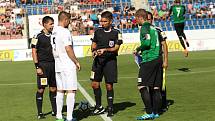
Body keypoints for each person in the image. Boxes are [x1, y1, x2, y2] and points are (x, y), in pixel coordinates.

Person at [90, 11, 123, 117]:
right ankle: (99, 106)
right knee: (94, 84)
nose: (102, 23)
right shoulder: (98, 31)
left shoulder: (117, 32)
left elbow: (116, 48)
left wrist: (105, 50)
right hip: (98, 62)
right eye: (101, 21)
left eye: (105, 21)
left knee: (109, 86)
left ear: (110, 21)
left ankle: (110, 107)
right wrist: (94, 51)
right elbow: (93, 44)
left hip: (110, 62)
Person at [51, 11, 81, 121]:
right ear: (66, 20)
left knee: (60, 90)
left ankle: (59, 115)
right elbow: (68, 48)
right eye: (69, 21)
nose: (69, 23)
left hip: (58, 64)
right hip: (67, 64)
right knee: (71, 90)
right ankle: (69, 117)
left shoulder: (54, 31)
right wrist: (76, 61)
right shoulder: (65, 32)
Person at [134, 9, 162, 120]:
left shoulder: (144, 27)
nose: (136, 21)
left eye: (136, 18)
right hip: (157, 58)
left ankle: (149, 111)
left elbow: (146, 42)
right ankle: (155, 112)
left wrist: (138, 49)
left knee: (141, 85)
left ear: (141, 17)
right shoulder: (153, 28)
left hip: (149, 59)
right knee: (155, 87)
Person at [31, 16, 56, 119]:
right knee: (41, 89)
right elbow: (33, 51)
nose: (52, 26)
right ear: (44, 24)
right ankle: (40, 113)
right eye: (51, 24)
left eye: (53, 23)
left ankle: (55, 111)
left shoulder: (54, 35)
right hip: (43, 66)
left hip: (54, 65)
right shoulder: (37, 36)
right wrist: (37, 66)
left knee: (54, 88)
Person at [147, 11, 168, 112]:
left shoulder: (158, 30)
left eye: (150, 19)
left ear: (152, 20)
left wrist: (165, 61)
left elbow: (165, 45)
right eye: (146, 19)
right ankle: (152, 105)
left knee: (160, 84)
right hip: (148, 62)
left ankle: (163, 104)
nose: (148, 21)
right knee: (149, 84)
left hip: (158, 60)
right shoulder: (143, 31)